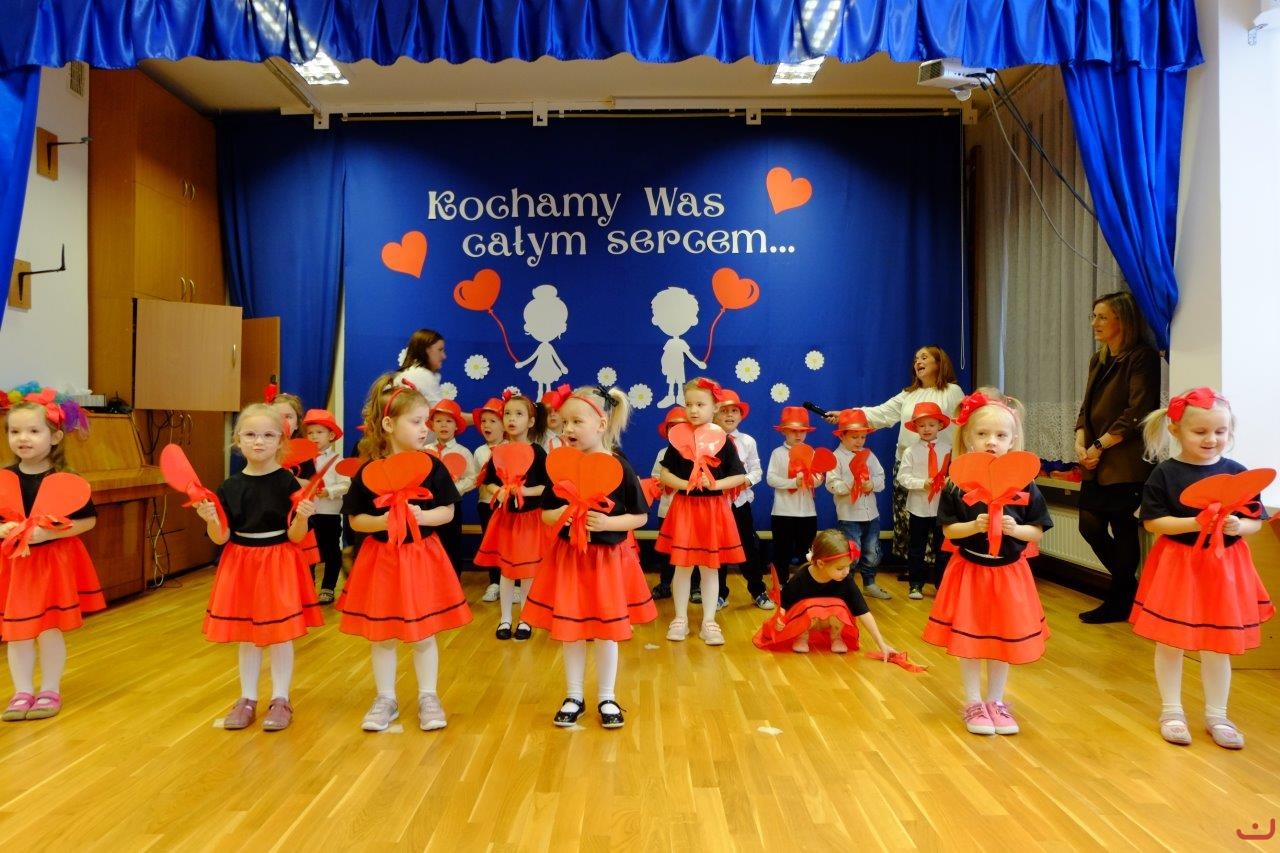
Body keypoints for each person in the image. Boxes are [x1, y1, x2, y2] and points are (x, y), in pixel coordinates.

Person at [1131, 388, 1272, 749]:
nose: (1211, 439)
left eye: (1220, 431)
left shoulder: (1237, 473)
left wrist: (1239, 526)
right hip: (1179, 566)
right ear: (1176, 431)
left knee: (1217, 645)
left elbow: (1256, 521)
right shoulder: (1165, 473)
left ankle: (1217, 715)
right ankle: (1171, 711)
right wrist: (1196, 523)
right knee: (1170, 642)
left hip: (1224, 568)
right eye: (1200, 432)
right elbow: (1154, 523)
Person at [340, 374, 472, 732]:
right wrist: (383, 521)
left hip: (421, 557)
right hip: (381, 560)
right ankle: (386, 698)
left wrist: (422, 516)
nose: (424, 429)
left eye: (425, 422)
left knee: (424, 633)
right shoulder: (369, 471)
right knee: (382, 633)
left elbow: (447, 512)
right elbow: (356, 520)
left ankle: (429, 696)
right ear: (388, 425)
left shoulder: (432, 466)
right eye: (416, 422)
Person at [922, 390, 1051, 737]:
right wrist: (974, 526)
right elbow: (949, 530)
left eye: (1000, 435)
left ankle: (996, 701)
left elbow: (1036, 531)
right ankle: (973, 701)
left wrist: (1016, 529)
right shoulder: (956, 485)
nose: (991, 441)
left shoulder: (1026, 485)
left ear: (1012, 440)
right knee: (970, 639)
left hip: (1009, 574)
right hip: (971, 572)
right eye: (982, 434)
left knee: (1002, 638)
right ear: (968, 437)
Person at [527, 385, 656, 728]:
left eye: (577, 422)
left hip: (607, 561)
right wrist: (561, 514)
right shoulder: (559, 465)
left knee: (606, 632)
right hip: (570, 559)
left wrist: (609, 522)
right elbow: (545, 514)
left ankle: (607, 697)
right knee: (570, 629)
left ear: (601, 425)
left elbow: (640, 517)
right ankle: (573, 695)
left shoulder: (619, 467)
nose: (568, 428)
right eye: (564, 422)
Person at [196, 403, 322, 732]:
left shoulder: (289, 484)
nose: (259, 441)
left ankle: (281, 699)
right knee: (247, 635)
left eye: (267, 435)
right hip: (241, 562)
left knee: (280, 635)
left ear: (281, 441)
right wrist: (210, 519)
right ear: (237, 440)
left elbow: (296, 536)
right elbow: (221, 537)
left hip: (279, 561)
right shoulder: (229, 487)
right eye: (250, 434)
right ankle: (247, 698)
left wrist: (303, 517)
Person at [0, 389, 101, 722]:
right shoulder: (5, 478)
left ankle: (50, 689)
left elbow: (87, 521)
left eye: (33, 431)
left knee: (48, 630)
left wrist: (49, 533)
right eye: (15, 431)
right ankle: (21, 691)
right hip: (16, 566)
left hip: (51, 564)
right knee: (17, 632)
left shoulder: (65, 480)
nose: (23, 438)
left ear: (55, 436)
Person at [827, 346, 964, 569]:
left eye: (924, 357)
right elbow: (881, 413)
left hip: (941, 467)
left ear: (939, 363)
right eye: (916, 358)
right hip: (908, 463)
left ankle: (939, 569)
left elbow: (961, 426)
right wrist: (846, 415)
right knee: (909, 517)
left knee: (939, 518)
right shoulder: (909, 394)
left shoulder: (952, 392)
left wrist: (957, 464)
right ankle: (915, 569)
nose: (918, 362)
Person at [1073, 291, 1162, 623]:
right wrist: (1081, 441)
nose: (1094, 323)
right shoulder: (1098, 359)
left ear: (1122, 320)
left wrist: (1098, 446)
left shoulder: (1142, 357)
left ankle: (1120, 598)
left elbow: (1138, 411)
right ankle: (1131, 591)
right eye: (1093, 316)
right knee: (1089, 526)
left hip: (1125, 460)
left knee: (1122, 527)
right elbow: (1086, 407)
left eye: (1102, 317)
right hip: (1096, 459)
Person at [655, 378, 747, 646]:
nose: (693, 410)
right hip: (685, 509)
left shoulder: (724, 441)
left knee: (709, 568)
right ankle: (680, 618)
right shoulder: (677, 438)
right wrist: (686, 484)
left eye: (700, 404)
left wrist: (714, 484)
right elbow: (664, 474)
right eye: (689, 404)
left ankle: (709, 621)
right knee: (682, 567)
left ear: (715, 407)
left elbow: (739, 476)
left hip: (713, 511)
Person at [474, 393, 549, 640]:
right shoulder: (498, 451)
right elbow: (488, 482)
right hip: (506, 519)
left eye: (518, 414)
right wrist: (500, 490)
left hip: (530, 521)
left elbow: (547, 486)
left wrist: (525, 491)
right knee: (506, 571)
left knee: (527, 572)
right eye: (507, 414)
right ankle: (505, 618)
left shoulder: (538, 452)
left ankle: (526, 619)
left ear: (531, 421)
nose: (511, 419)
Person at [753, 530, 898, 655]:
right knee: (809, 606)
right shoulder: (801, 578)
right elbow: (785, 603)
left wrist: (881, 644)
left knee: (839, 607)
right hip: (807, 621)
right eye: (840, 568)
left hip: (830, 622)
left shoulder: (846, 580)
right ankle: (802, 637)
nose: (846, 572)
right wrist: (781, 618)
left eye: (848, 566)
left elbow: (863, 611)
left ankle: (836, 637)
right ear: (821, 563)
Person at [714, 389, 771, 609]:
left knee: (748, 546)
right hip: (716, 504)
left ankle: (758, 590)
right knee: (717, 549)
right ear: (714, 413)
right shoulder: (708, 440)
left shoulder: (747, 441)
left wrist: (745, 481)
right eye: (724, 410)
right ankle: (719, 593)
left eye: (734, 411)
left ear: (741, 415)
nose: (729, 415)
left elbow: (757, 470)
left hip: (740, 503)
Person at [825, 408, 890, 600]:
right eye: (854, 437)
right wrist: (850, 484)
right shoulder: (836, 457)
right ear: (842, 436)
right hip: (849, 516)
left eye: (863, 437)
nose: (859, 441)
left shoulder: (869, 455)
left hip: (871, 515)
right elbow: (832, 484)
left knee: (872, 551)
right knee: (851, 552)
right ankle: (847, 586)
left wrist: (872, 484)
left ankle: (869, 583)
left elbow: (881, 478)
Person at [897, 402, 952, 600]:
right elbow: (903, 478)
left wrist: (949, 481)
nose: (926, 429)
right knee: (916, 548)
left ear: (940, 425)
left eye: (931, 424)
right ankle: (915, 585)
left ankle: (942, 585)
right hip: (918, 507)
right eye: (921, 425)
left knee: (943, 549)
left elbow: (955, 474)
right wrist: (922, 483)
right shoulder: (910, 451)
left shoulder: (948, 449)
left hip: (941, 508)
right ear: (915, 428)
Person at [766, 406, 823, 583]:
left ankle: (805, 584)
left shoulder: (811, 452)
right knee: (781, 552)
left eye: (802, 431)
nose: (798, 435)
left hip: (807, 512)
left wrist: (812, 479)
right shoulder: (777, 453)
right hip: (783, 512)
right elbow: (771, 479)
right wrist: (793, 483)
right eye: (793, 431)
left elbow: (818, 478)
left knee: (807, 552)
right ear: (783, 431)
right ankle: (780, 584)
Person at [302, 408, 350, 604]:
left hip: (329, 513)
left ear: (331, 435)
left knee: (331, 550)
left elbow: (346, 484)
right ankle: (308, 587)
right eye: (310, 433)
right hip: (307, 513)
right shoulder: (302, 461)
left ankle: (328, 587)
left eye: (319, 432)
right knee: (308, 551)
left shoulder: (338, 461)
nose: (314, 436)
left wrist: (329, 491)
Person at [427, 399, 477, 575]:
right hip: (427, 506)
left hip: (452, 505)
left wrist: (454, 490)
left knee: (451, 543)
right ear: (432, 425)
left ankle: (453, 579)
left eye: (449, 421)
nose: (444, 425)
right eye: (439, 421)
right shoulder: (424, 451)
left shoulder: (463, 452)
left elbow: (472, 478)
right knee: (429, 542)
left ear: (456, 426)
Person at [649, 406, 689, 600]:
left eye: (682, 426)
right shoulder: (663, 453)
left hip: (690, 511)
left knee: (691, 549)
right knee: (667, 549)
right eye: (672, 427)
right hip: (667, 509)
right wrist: (664, 483)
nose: (677, 431)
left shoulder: (697, 452)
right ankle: (665, 583)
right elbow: (656, 478)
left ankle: (695, 586)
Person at [471, 397, 505, 602]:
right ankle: (494, 582)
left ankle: (513, 582)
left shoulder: (511, 448)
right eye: (483, 421)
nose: (487, 425)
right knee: (490, 543)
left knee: (508, 543)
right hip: (485, 505)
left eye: (493, 421)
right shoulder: (479, 452)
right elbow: (477, 478)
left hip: (507, 504)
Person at [396, 328, 447, 409]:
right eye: (440, 350)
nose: (444, 356)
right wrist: (470, 416)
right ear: (426, 350)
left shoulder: (413, 372)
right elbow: (439, 413)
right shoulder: (422, 375)